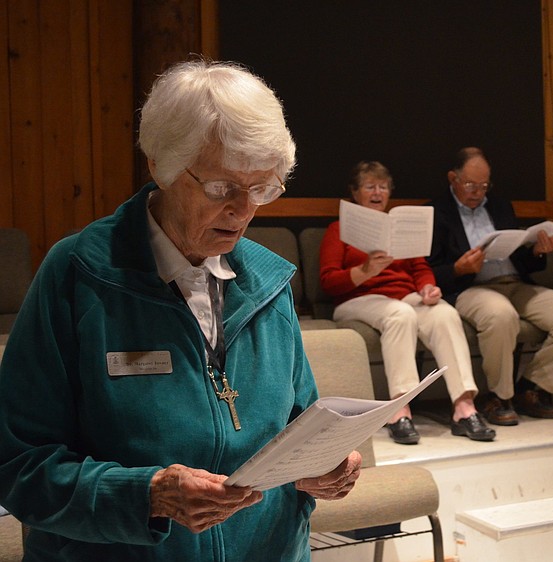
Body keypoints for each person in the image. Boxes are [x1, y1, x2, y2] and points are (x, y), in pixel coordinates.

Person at [0, 60, 361, 561]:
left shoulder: (268, 281)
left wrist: (324, 466)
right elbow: (19, 466)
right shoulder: (79, 275)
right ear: (162, 166)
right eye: (222, 187)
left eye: (263, 188)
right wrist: (147, 495)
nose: (244, 210)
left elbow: (301, 423)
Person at [319, 161, 496, 445]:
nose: (378, 192)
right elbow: (328, 282)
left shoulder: (397, 228)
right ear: (355, 193)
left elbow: (419, 268)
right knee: (400, 314)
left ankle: (464, 407)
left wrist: (428, 287)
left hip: (404, 296)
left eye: (383, 187)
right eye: (370, 186)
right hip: (357, 300)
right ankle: (399, 409)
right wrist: (364, 271)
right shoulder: (337, 229)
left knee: (444, 314)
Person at [428, 147, 553, 426]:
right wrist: (458, 268)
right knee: (500, 314)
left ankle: (532, 388)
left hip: (515, 283)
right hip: (471, 288)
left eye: (484, 185)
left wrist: (537, 251)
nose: (477, 192)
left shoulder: (500, 206)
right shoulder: (436, 212)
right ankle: (498, 396)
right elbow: (430, 270)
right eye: (470, 184)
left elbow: (519, 258)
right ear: (452, 178)